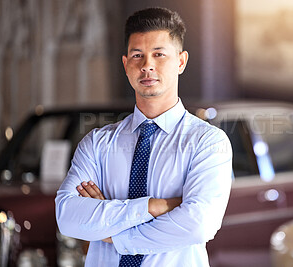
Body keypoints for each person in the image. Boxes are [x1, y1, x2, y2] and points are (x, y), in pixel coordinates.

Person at [55, 7, 232, 267]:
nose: (147, 65)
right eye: (137, 55)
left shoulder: (208, 142)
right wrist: (154, 207)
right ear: (126, 65)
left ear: (181, 62)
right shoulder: (97, 143)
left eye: (159, 54)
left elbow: (197, 225)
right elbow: (68, 217)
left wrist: (113, 234)